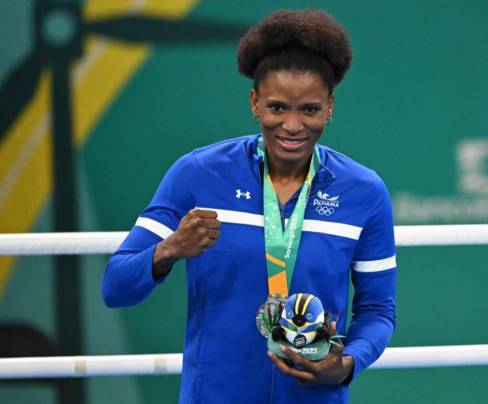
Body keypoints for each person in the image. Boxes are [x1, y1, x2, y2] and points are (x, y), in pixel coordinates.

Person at [103, 9, 396, 404]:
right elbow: (116, 287)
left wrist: (347, 364)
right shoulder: (198, 174)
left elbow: (378, 309)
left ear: (329, 106)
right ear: (255, 102)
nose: (292, 126)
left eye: (308, 109)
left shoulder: (363, 191)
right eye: (277, 107)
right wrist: (169, 250)